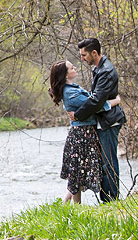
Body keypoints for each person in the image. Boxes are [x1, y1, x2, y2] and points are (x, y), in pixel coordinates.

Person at [48, 60, 120, 204]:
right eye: (71, 67)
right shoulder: (70, 92)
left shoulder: (72, 88)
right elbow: (93, 106)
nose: (75, 68)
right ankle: (72, 205)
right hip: (82, 135)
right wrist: (115, 101)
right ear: (65, 74)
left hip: (86, 132)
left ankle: (68, 204)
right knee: (78, 171)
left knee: (79, 170)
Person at [71, 37, 128, 202]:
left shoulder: (106, 71)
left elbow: (96, 101)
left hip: (109, 121)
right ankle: (108, 199)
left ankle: (111, 200)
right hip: (104, 120)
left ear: (94, 53)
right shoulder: (99, 68)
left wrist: (78, 115)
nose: (82, 59)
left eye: (84, 55)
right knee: (105, 161)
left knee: (109, 162)